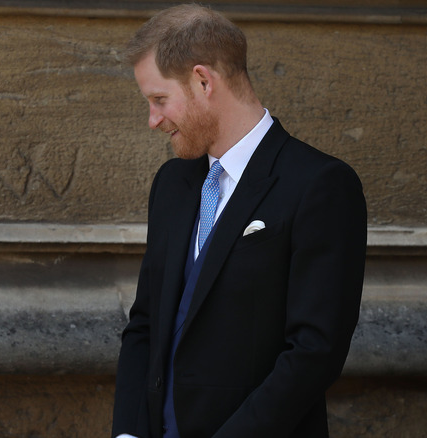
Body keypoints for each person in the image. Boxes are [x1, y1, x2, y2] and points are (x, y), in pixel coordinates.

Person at [112, 4, 367, 438]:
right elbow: (146, 325)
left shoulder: (320, 185)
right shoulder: (172, 183)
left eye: (159, 100)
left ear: (203, 81)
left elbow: (314, 352)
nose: (153, 120)